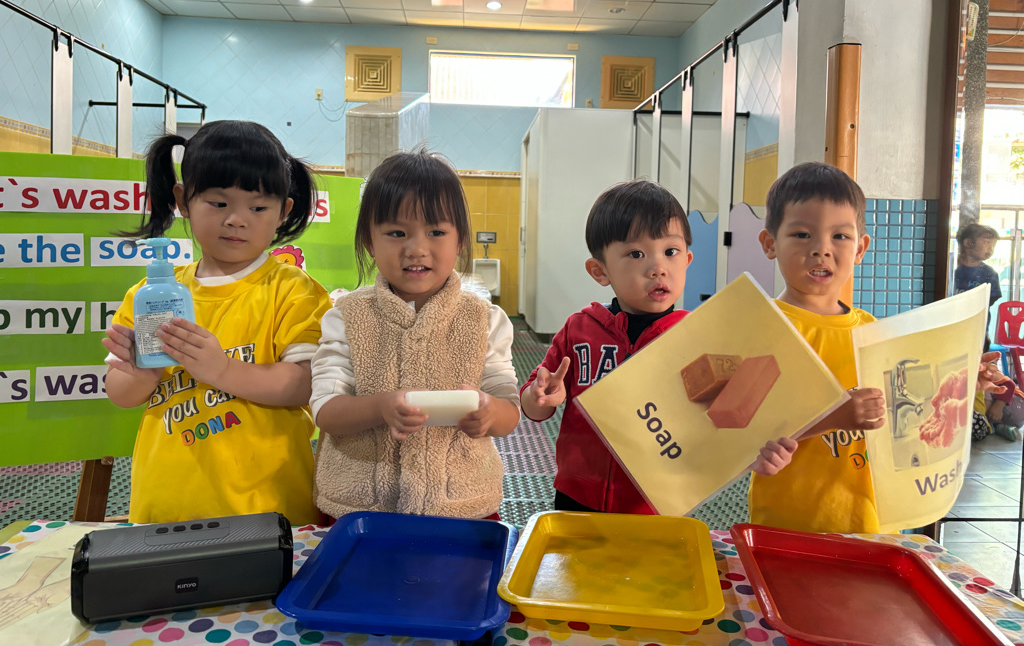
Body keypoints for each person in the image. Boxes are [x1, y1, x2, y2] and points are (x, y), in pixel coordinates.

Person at [102, 121, 330, 526]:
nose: (236, 220)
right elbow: (119, 392)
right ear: (183, 201)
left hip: (268, 509)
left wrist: (222, 369)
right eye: (218, 203)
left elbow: (306, 384)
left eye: (257, 208)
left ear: (283, 211)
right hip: (164, 506)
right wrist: (142, 374)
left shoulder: (293, 290)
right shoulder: (149, 295)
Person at [519, 180, 794, 514]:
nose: (658, 268)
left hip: (653, 503)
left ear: (687, 259)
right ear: (600, 271)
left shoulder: (697, 338)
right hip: (577, 495)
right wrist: (539, 396)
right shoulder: (579, 330)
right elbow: (534, 408)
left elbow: (725, 424)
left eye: (671, 252)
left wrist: (756, 452)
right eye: (636, 254)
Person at [310, 150, 521, 521]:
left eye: (436, 232)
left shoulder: (485, 320)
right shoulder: (346, 316)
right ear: (369, 242)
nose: (417, 249)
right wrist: (380, 407)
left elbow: (509, 410)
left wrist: (489, 412)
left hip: (463, 507)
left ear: (459, 241)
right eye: (397, 233)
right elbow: (326, 410)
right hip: (361, 510)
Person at [749, 162, 887, 534]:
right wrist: (838, 414)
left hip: (868, 523)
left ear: (860, 248)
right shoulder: (762, 327)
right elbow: (745, 431)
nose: (821, 250)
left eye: (839, 236)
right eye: (802, 234)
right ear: (770, 244)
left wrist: (962, 378)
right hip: (787, 525)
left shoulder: (872, 331)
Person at [954, 223, 1002, 351]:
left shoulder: (989, 273)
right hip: (951, 329)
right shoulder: (951, 268)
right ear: (968, 243)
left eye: (993, 244)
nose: (990, 248)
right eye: (986, 242)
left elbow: (990, 300)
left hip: (978, 331)